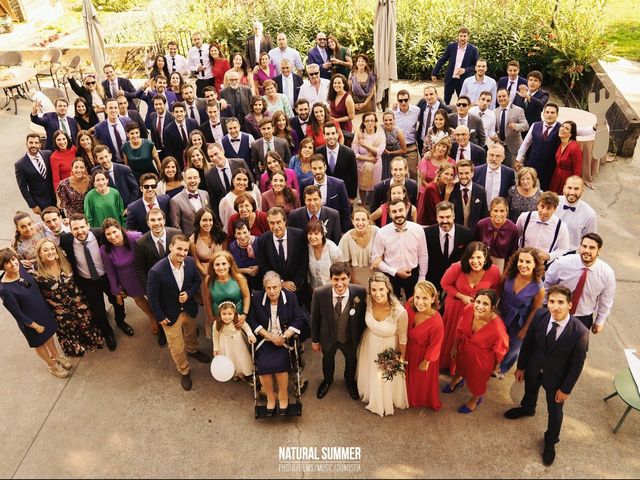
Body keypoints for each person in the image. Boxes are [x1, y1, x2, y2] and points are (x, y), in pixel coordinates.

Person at [504, 285, 589, 466]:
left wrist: (566, 389)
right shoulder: (540, 316)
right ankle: (528, 408)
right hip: (534, 369)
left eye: (560, 302)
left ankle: (551, 441)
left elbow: (576, 366)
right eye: (551, 301)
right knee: (530, 391)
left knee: (555, 412)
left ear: (569, 305)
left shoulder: (580, 332)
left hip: (556, 379)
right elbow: (527, 344)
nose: (555, 307)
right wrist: (521, 367)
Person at [147, 234, 211, 391]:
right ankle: (184, 370)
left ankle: (193, 350)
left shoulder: (189, 262)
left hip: (188, 309)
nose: (183, 253)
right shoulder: (156, 271)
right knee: (176, 346)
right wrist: (160, 317)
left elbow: (196, 281)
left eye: (186, 250)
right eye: (179, 249)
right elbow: (152, 297)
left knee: (191, 334)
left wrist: (189, 293)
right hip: (169, 314)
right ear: (171, 247)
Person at [60, 214, 131, 352]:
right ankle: (108, 333)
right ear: (70, 229)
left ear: (88, 225)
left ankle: (121, 321)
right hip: (87, 281)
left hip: (107, 277)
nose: (80, 231)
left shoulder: (101, 235)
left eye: (82, 227)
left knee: (117, 301)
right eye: (75, 228)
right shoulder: (65, 240)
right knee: (98, 310)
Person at [0, 248, 70, 378]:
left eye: (13, 259)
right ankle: (52, 365)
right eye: (7, 263)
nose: (13, 264)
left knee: (48, 336)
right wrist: (35, 326)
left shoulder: (20, 268)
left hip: (42, 312)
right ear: (2, 266)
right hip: (30, 321)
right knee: (40, 343)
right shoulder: (5, 289)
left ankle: (56, 356)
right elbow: (17, 313)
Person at [247, 270, 306, 415]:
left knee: (280, 366)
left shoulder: (291, 297)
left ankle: (283, 395)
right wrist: (268, 335)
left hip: (283, 341)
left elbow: (298, 319)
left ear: (280, 286)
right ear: (264, 288)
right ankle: (271, 398)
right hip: (265, 340)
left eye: (275, 287)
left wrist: (285, 336)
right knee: (264, 366)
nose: (272, 291)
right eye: (268, 288)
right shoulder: (256, 298)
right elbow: (252, 320)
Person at [439, 241, 501, 371]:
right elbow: (444, 283)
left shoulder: (494, 271)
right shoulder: (457, 267)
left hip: (476, 313)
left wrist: (484, 303)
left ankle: (461, 369)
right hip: (455, 308)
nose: (475, 261)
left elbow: (495, 290)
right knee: (451, 338)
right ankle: (446, 364)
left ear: (485, 257)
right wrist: (462, 296)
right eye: (471, 257)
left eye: (479, 257)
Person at [445, 289, 508, 413]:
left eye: (485, 304)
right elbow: (459, 329)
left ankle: (475, 399)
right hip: (464, 348)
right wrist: (454, 347)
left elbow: (500, 351)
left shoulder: (498, 329)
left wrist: (496, 366)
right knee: (460, 368)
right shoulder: (469, 309)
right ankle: (456, 380)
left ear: (492, 307)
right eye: (478, 302)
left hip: (482, 360)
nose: (479, 306)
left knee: (477, 382)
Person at [36, 238, 101, 357]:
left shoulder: (65, 261)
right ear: (40, 254)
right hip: (59, 309)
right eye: (45, 250)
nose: (50, 252)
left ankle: (91, 340)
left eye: (52, 248)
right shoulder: (36, 273)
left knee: (86, 324)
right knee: (69, 329)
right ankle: (76, 346)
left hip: (78, 301)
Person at [311, 261, 367, 399]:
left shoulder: (359, 292)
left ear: (349, 278)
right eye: (336, 279)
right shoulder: (319, 293)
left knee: (351, 360)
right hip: (328, 337)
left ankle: (349, 382)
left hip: (349, 337)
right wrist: (315, 340)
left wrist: (360, 337)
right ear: (331, 278)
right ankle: (327, 380)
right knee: (327, 360)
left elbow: (362, 318)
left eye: (343, 279)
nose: (340, 284)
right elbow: (315, 319)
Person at [356, 272, 409, 416]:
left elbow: (403, 338)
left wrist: (400, 358)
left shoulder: (400, 312)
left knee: (384, 378)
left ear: (388, 288)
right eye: (373, 290)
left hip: (388, 347)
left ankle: (383, 402)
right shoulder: (368, 301)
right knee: (371, 372)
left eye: (381, 289)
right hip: (370, 343)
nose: (377, 294)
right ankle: (371, 393)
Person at [544, 233, 615, 333]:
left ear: (599, 250)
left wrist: (600, 321)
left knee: (577, 348)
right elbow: (547, 285)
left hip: (582, 319)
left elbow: (606, 300)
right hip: (555, 311)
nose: (586, 250)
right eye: (584, 246)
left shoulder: (607, 273)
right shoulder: (562, 264)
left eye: (592, 248)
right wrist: (544, 307)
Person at [100, 219, 159, 335]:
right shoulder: (104, 250)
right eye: (108, 234)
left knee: (154, 297)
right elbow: (110, 271)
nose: (112, 236)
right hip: (128, 280)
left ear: (120, 229)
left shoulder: (136, 237)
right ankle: (152, 318)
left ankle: (162, 316)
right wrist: (116, 291)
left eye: (114, 232)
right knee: (139, 299)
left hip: (145, 274)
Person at [133, 208, 181, 348]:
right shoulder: (141, 243)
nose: (157, 223)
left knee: (179, 305)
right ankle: (162, 331)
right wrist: (149, 289)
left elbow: (185, 256)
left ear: (164, 220)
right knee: (160, 309)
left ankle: (182, 325)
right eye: (153, 220)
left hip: (176, 280)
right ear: (147, 222)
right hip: (156, 285)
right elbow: (140, 268)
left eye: (159, 219)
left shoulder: (176, 234)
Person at [497, 247, 545, 377]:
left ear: (535, 264)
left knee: (513, 347)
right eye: (521, 261)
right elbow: (499, 289)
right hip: (502, 312)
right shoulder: (509, 272)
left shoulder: (538, 287)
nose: (523, 265)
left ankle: (502, 369)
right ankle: (492, 363)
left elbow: (536, 309)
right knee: (497, 340)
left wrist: (525, 329)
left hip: (519, 320)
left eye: (528, 262)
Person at [371, 199, 428, 299]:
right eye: (394, 211)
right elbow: (375, 259)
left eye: (400, 210)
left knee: (415, 306)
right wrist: (394, 271)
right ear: (389, 213)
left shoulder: (418, 230)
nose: (398, 214)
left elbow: (423, 256)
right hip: (391, 275)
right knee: (392, 307)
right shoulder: (382, 233)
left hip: (413, 275)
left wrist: (422, 278)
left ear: (406, 210)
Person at [404, 280, 444, 410]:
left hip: (422, 354)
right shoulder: (410, 305)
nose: (419, 302)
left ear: (433, 299)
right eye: (417, 297)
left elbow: (436, 345)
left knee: (419, 381)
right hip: (407, 347)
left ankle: (417, 398)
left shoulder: (437, 322)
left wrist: (427, 361)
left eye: (425, 298)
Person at [256, 207, 308, 294]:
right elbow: (263, 265)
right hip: (275, 290)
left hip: (298, 288)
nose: (276, 227)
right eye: (272, 223)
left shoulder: (299, 235)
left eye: (278, 222)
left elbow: (304, 261)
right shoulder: (263, 240)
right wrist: (281, 282)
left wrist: (295, 283)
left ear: (285, 221)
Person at [423, 200, 474, 289]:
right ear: (437, 217)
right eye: (441, 217)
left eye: (448, 217)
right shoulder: (427, 233)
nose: (445, 221)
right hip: (433, 283)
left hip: (456, 282)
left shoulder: (466, 234)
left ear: (453, 216)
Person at [202, 250, 250, 338]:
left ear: (229, 264)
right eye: (217, 264)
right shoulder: (208, 280)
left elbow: (246, 296)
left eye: (224, 264)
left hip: (238, 316)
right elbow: (207, 299)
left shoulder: (239, 278)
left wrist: (244, 314)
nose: (221, 267)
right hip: (219, 317)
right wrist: (210, 317)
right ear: (212, 266)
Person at [299, 154, 352, 233]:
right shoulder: (304, 184)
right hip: (312, 228)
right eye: (314, 168)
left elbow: (345, 209)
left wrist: (344, 231)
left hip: (333, 226)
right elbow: (303, 205)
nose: (317, 171)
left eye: (320, 168)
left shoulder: (339, 184)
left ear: (325, 167)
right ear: (310, 169)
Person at [516, 191, 570, 265]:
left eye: (548, 208)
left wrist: (549, 256)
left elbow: (563, 248)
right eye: (542, 206)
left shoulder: (561, 227)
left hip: (542, 267)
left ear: (554, 209)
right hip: (522, 263)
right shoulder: (524, 218)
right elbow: (515, 237)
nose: (544, 212)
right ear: (538, 205)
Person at [431, 27, 479, 104]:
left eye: (464, 36)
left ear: (468, 37)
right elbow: (442, 59)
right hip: (450, 79)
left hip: (463, 81)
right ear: (458, 36)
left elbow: (476, 66)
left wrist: (465, 70)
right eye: (461, 36)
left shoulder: (473, 49)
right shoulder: (451, 46)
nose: (462, 38)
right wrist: (434, 72)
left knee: (463, 103)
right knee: (446, 102)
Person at [210, 301, 256, 380]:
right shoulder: (217, 323)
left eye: (230, 314)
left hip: (238, 343)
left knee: (241, 358)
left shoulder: (237, 318)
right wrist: (216, 348)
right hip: (225, 344)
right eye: (224, 314)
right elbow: (215, 336)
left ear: (234, 313)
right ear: (219, 314)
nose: (227, 317)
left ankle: (244, 372)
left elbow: (246, 326)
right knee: (230, 359)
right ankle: (235, 373)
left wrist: (250, 334)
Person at [473, 197, 519, 271]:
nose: (498, 214)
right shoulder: (481, 224)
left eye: (502, 211)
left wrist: (506, 272)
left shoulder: (513, 229)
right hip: (480, 262)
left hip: (501, 265)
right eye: (495, 210)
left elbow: (513, 254)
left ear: (507, 212)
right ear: (490, 212)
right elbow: (474, 245)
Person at [15, 133, 56, 215]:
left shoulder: (48, 154)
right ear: (27, 143)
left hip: (55, 196)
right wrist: (33, 205)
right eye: (31, 142)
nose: (33, 145)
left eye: (36, 143)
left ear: (40, 144)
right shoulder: (20, 164)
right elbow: (23, 188)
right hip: (41, 202)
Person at [315, 122, 357, 200]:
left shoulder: (349, 153)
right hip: (325, 194)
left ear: (337, 135)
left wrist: (352, 196)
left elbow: (354, 176)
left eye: (333, 133)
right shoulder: (318, 151)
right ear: (324, 136)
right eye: (327, 134)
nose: (331, 136)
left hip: (344, 193)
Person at [338, 207, 379, 287]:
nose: (360, 223)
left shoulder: (377, 232)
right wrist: (353, 281)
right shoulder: (346, 238)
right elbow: (344, 264)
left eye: (363, 220)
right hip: (356, 279)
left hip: (377, 277)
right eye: (357, 220)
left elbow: (387, 250)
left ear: (368, 221)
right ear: (352, 221)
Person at [556, 176, 597, 253]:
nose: (572, 192)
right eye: (569, 188)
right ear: (564, 188)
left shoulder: (590, 214)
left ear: (582, 190)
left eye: (576, 189)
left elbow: (590, 240)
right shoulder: (554, 202)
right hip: (547, 248)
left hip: (568, 253)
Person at [352, 112, 385, 203]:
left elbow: (379, 151)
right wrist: (368, 159)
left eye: (372, 120)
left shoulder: (380, 135)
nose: (370, 123)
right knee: (362, 186)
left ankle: (373, 204)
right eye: (367, 121)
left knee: (375, 186)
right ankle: (363, 204)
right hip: (361, 165)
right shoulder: (359, 135)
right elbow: (354, 153)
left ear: (375, 122)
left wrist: (365, 145)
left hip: (376, 164)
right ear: (363, 122)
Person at [491, 88, 528, 165]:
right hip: (499, 148)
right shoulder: (494, 112)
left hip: (514, 149)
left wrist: (516, 126)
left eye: (504, 96)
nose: (501, 98)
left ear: (508, 96)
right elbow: (493, 129)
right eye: (499, 96)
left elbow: (525, 125)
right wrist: (494, 135)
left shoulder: (518, 110)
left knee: (515, 173)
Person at [170, 168, 210, 236]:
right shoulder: (175, 200)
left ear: (199, 179)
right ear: (184, 180)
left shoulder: (205, 194)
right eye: (189, 178)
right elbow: (176, 227)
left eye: (195, 178)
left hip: (207, 236)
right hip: (189, 239)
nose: (192, 180)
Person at [450, 160, 488, 231]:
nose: (464, 176)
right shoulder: (452, 189)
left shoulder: (480, 190)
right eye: (461, 173)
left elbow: (484, 215)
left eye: (467, 173)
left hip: (474, 232)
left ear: (472, 173)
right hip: (456, 232)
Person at [189, 206, 227, 279]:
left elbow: (225, 256)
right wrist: (206, 275)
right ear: (198, 221)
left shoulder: (221, 236)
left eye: (210, 220)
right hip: (204, 274)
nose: (208, 223)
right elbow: (196, 262)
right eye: (204, 220)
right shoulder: (192, 240)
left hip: (222, 271)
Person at [306, 219, 343, 289]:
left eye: (316, 234)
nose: (312, 237)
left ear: (322, 234)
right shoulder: (308, 248)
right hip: (314, 290)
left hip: (332, 288)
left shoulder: (332, 248)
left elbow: (341, 270)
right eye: (310, 234)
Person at [93, 98, 131, 163]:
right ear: (106, 110)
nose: (113, 110)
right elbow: (98, 147)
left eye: (115, 107)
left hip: (131, 160)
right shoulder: (99, 128)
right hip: (114, 163)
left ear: (118, 109)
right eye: (110, 108)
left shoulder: (127, 121)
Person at [549, 121, 582, 194]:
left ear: (570, 134)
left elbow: (577, 169)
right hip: (556, 177)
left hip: (567, 179)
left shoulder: (574, 147)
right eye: (562, 126)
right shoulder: (561, 143)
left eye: (566, 128)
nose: (562, 129)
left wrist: (573, 186)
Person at [228, 219, 261, 291]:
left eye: (245, 232)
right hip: (242, 280)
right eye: (239, 233)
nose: (242, 236)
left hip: (260, 277)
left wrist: (258, 267)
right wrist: (245, 270)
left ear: (249, 232)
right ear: (235, 235)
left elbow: (267, 260)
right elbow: (231, 268)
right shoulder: (232, 247)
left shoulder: (259, 242)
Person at [381, 110, 407, 181]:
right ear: (383, 121)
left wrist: (390, 153)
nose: (388, 122)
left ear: (394, 120)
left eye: (390, 120)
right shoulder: (380, 129)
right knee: (384, 174)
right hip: (383, 153)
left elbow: (404, 150)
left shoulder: (398, 131)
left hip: (396, 153)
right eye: (386, 120)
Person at [187, 32, 213, 97]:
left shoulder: (208, 48)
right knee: (201, 100)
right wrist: (196, 69)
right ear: (192, 41)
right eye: (195, 40)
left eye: (198, 39)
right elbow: (190, 66)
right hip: (200, 80)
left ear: (202, 39)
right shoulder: (191, 51)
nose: (197, 41)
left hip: (211, 79)